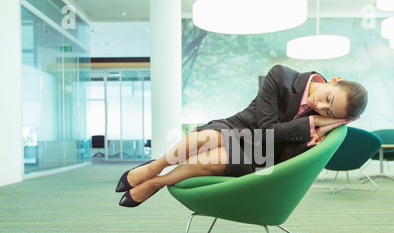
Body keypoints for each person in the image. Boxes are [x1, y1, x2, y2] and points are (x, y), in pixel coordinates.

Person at [116, 64, 368, 207]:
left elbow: (288, 154)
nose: (321, 106)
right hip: (241, 127)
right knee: (204, 139)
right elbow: (265, 129)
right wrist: (313, 122)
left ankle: (157, 182)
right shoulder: (281, 76)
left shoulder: (319, 123)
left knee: (211, 159)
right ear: (334, 80)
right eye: (328, 98)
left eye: (329, 111)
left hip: (262, 155)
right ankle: (156, 166)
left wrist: (319, 125)